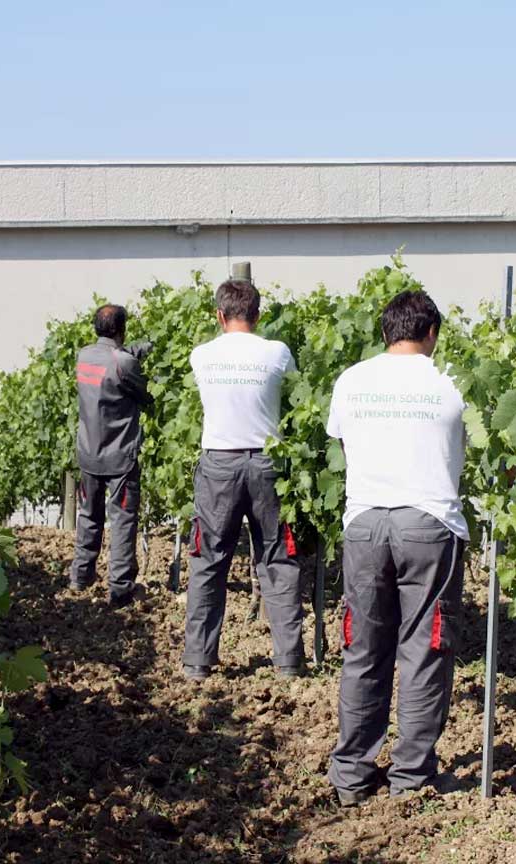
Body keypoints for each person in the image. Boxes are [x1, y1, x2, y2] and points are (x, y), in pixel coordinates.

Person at [325, 289, 469, 805]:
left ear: (385, 332)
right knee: (423, 651)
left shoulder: (351, 380)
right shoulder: (452, 381)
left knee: (362, 652)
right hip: (429, 527)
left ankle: (351, 775)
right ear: (430, 332)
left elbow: (344, 444)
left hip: (364, 525)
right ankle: (410, 779)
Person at [182, 278, 304, 681]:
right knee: (277, 559)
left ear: (219, 315)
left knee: (209, 561)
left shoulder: (202, 355)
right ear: (258, 314)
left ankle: (198, 661)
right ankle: (288, 661)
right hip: (267, 466)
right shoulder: (277, 352)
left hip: (218, 465)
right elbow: (296, 394)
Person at [69, 303, 153, 608]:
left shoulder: (84, 356)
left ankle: (80, 576)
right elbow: (145, 394)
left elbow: (112, 360)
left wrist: (131, 351)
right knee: (122, 522)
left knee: (89, 516)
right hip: (120, 458)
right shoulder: (125, 364)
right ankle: (120, 590)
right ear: (122, 329)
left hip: (89, 453)